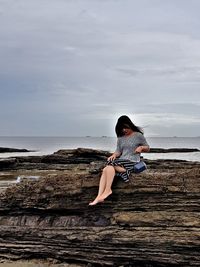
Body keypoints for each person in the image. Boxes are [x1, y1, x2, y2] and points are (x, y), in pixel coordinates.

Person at [89, 115, 150, 206]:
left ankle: (108, 190)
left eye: (125, 127)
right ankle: (99, 196)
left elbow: (148, 148)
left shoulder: (138, 135)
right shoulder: (120, 138)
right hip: (122, 161)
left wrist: (141, 148)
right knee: (106, 169)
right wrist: (113, 155)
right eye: (122, 128)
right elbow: (118, 151)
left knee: (109, 165)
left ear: (130, 124)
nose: (124, 130)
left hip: (133, 162)